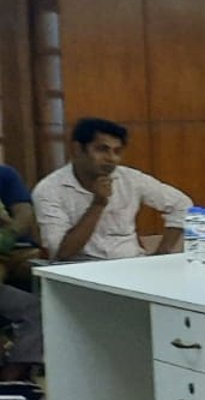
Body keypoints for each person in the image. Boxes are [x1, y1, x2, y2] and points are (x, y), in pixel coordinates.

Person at [34, 118, 193, 262]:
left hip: (131, 265)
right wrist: (98, 204)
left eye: (117, 151)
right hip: (80, 270)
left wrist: (163, 253)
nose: (111, 158)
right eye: (102, 149)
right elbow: (62, 253)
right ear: (77, 149)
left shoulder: (131, 179)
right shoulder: (49, 190)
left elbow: (182, 205)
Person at [0, 162, 35, 286]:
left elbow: (24, 213)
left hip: (17, 247)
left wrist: (9, 234)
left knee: (43, 267)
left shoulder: (5, 174)